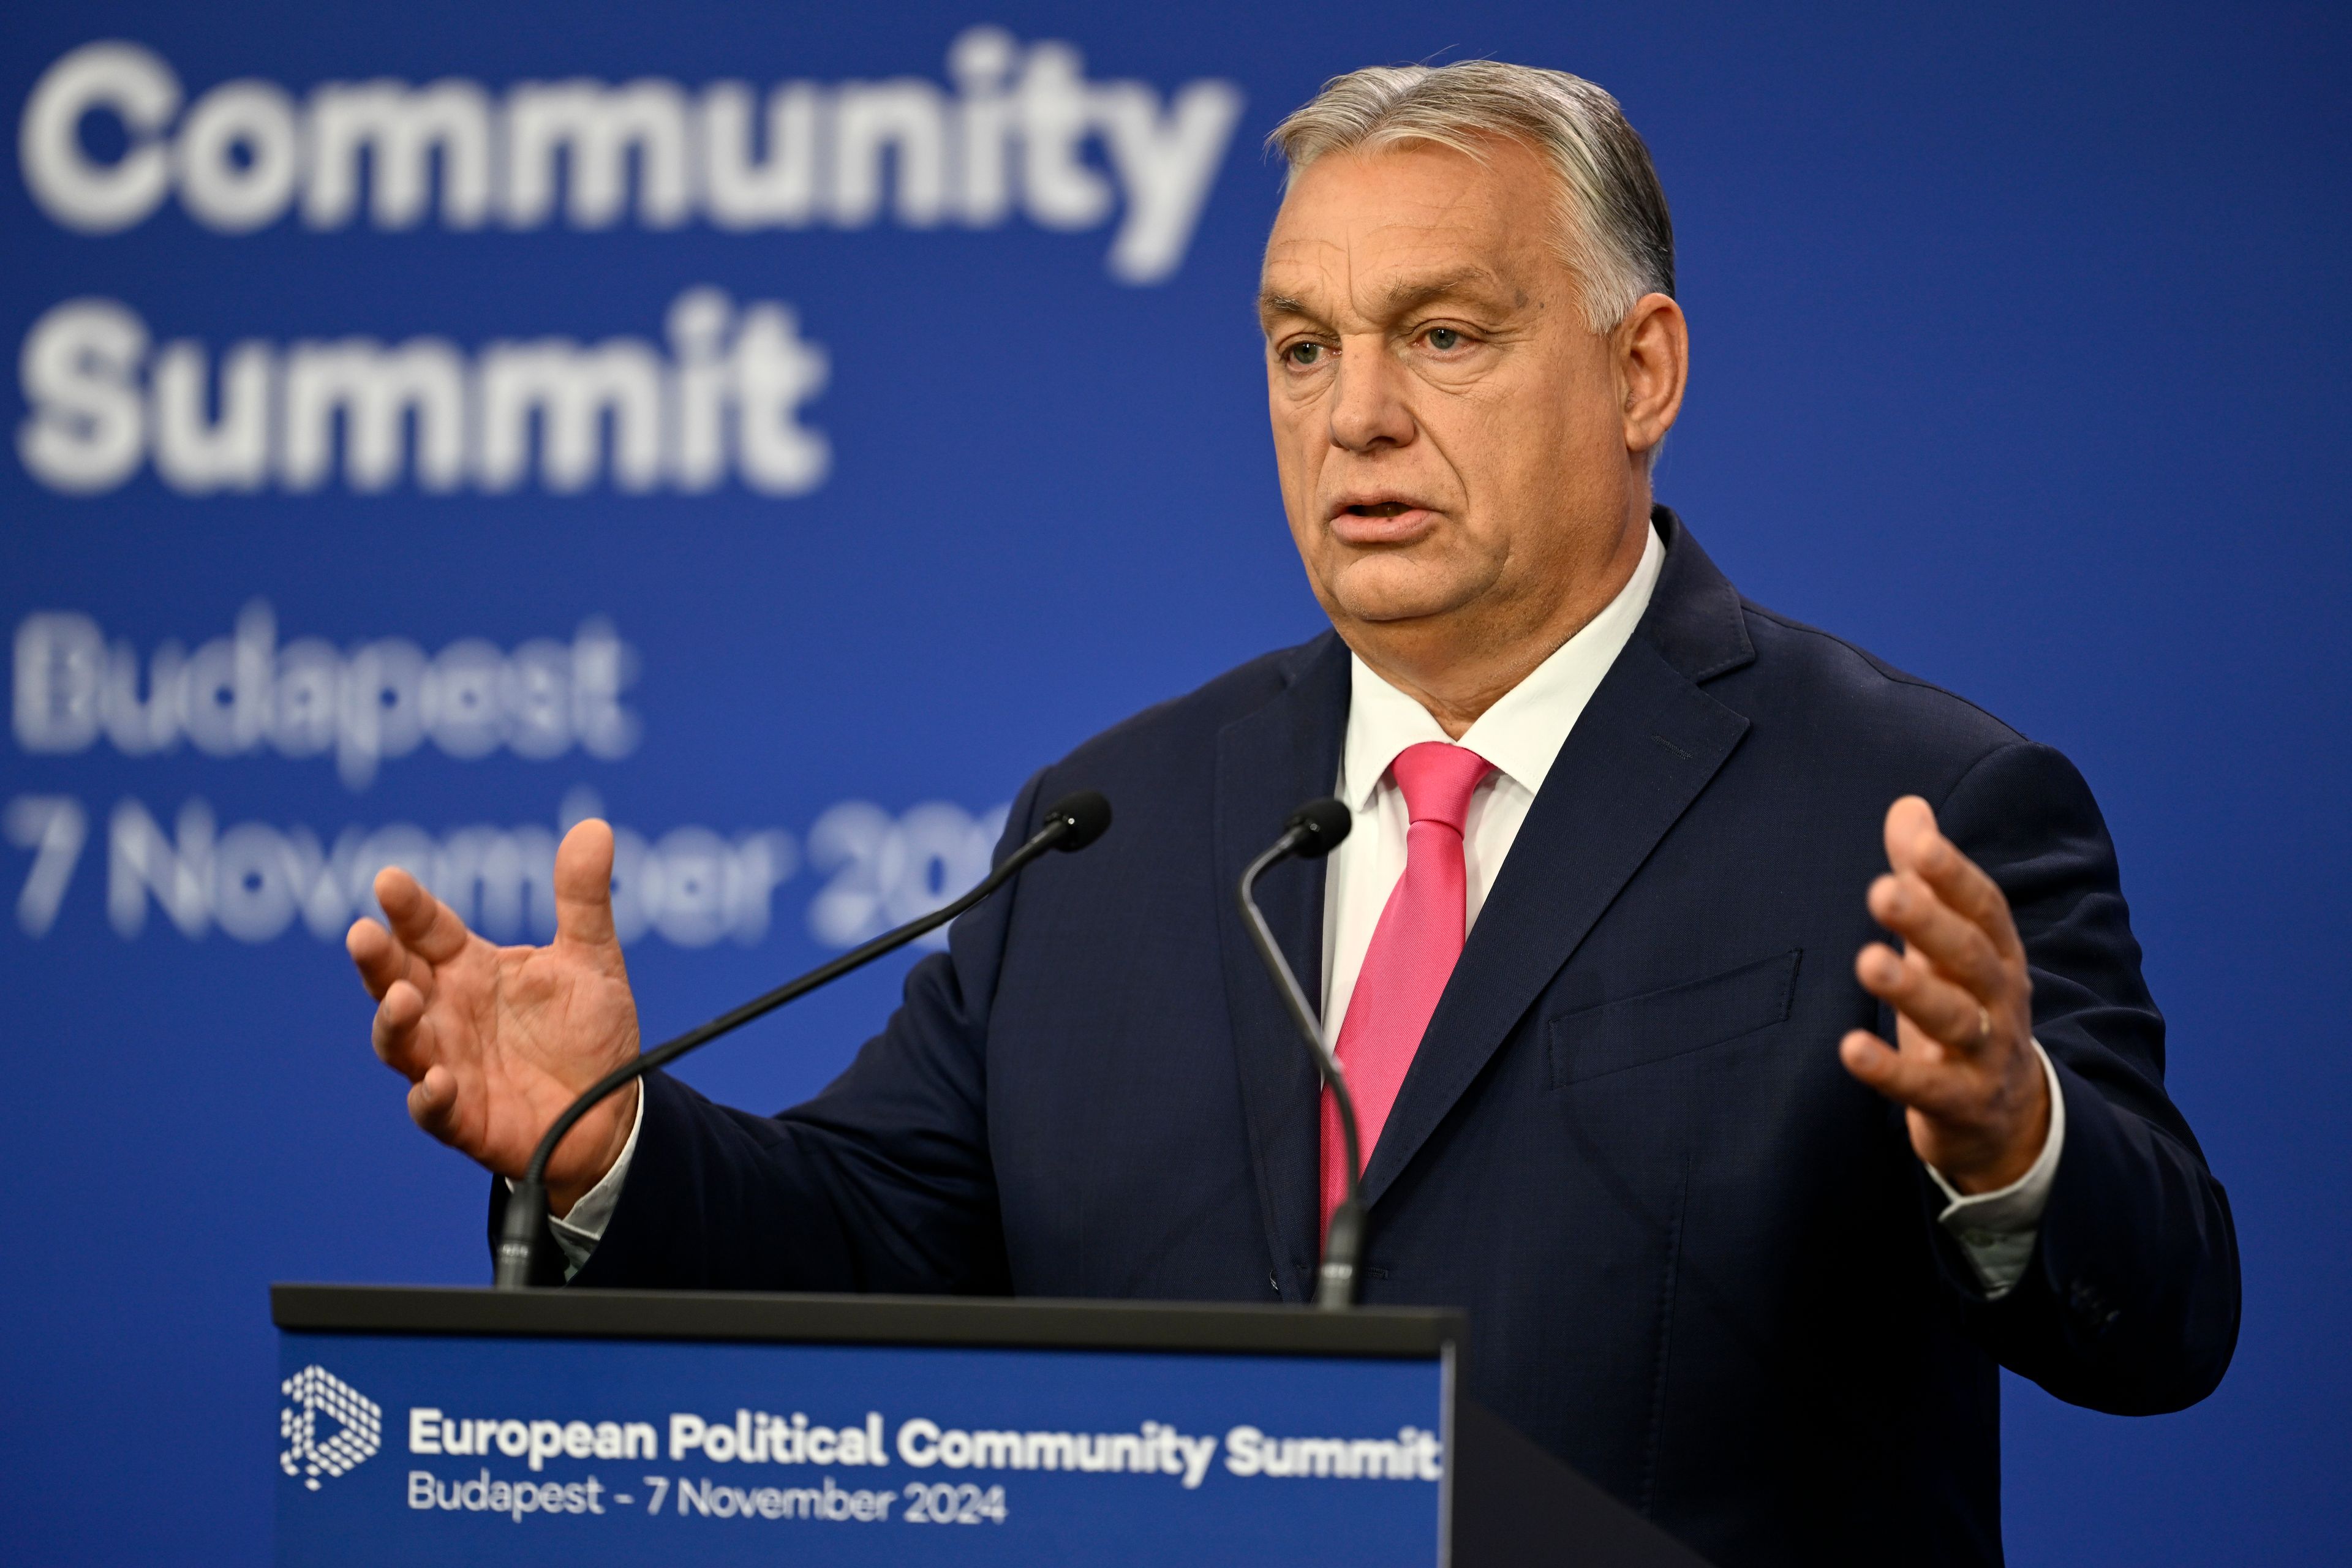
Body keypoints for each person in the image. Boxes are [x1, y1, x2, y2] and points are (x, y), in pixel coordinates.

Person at [347, 61, 2237, 1565]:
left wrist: (2014, 1141)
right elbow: (876, 1242)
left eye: (1443, 336)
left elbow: (2164, 1318)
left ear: (1640, 371)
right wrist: (604, 1145)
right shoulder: (1115, 822)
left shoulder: (1914, 809)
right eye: (1303, 344)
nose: (1354, 419)